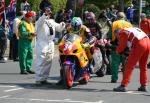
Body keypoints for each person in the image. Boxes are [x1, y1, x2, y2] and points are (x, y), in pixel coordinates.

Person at [56, 17, 93, 85]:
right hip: (73, 45)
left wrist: (87, 43)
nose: (75, 28)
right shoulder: (69, 29)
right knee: (62, 56)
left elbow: (91, 37)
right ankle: (63, 77)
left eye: (77, 27)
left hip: (83, 44)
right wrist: (60, 42)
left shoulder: (84, 28)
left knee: (90, 49)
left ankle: (90, 65)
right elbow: (64, 37)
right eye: (73, 27)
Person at [35, 7, 65, 86]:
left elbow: (58, 28)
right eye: (47, 12)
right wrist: (45, 14)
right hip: (42, 43)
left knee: (48, 61)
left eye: (49, 12)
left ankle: (44, 79)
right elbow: (41, 20)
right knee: (41, 61)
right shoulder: (39, 21)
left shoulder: (51, 21)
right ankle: (38, 79)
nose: (49, 13)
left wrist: (62, 24)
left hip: (50, 43)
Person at [113, 27, 150, 92]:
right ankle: (143, 85)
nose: (118, 38)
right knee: (143, 66)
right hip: (147, 42)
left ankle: (123, 85)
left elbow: (122, 46)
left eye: (117, 36)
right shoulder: (130, 29)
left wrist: (117, 51)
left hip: (140, 44)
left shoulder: (123, 32)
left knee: (129, 65)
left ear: (117, 33)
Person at [108, 12, 133, 83]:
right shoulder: (129, 24)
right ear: (124, 17)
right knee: (126, 63)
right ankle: (125, 79)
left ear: (117, 17)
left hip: (115, 45)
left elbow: (110, 35)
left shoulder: (114, 23)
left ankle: (114, 79)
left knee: (115, 63)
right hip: (126, 46)